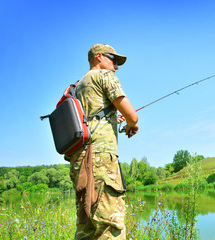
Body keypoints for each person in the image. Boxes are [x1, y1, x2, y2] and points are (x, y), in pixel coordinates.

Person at [65, 43, 139, 239]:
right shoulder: (105, 76)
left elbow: (90, 116)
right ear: (98, 56)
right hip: (101, 161)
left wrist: (114, 118)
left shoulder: (78, 85)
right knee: (110, 225)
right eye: (113, 60)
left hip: (80, 161)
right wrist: (132, 124)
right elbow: (132, 116)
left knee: (87, 226)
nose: (116, 67)